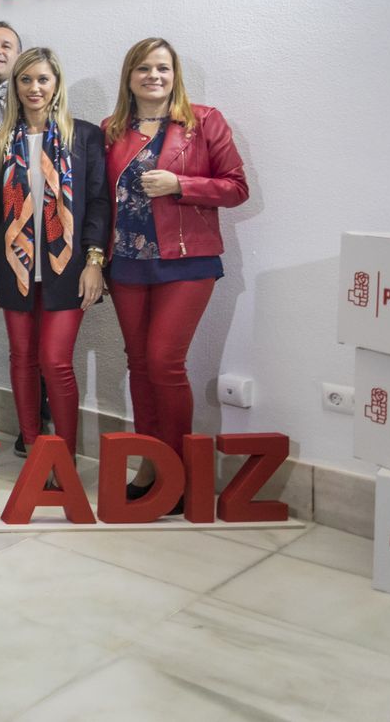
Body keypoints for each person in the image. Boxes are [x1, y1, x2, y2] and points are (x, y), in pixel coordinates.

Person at [103, 37, 248, 502]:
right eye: (143, 68)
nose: (154, 76)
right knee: (140, 364)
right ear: (129, 76)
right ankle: (151, 464)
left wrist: (180, 184)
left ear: (175, 74)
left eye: (163, 68)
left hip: (186, 261)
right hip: (126, 261)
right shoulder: (112, 128)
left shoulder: (203, 121)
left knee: (165, 362)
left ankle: (180, 473)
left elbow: (236, 187)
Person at [0, 48, 107, 463]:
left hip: (68, 269)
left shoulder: (83, 137)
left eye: (43, 79)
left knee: (55, 361)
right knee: (21, 358)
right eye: (26, 80)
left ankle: (62, 457)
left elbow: (100, 203)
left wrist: (94, 262)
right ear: (15, 87)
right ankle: (33, 446)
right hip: (14, 266)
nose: (35, 88)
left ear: (56, 85)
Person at [0, 19, 47, 452]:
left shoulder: (50, 117)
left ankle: (37, 426)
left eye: (5, 45)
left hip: (41, 244)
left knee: (40, 345)